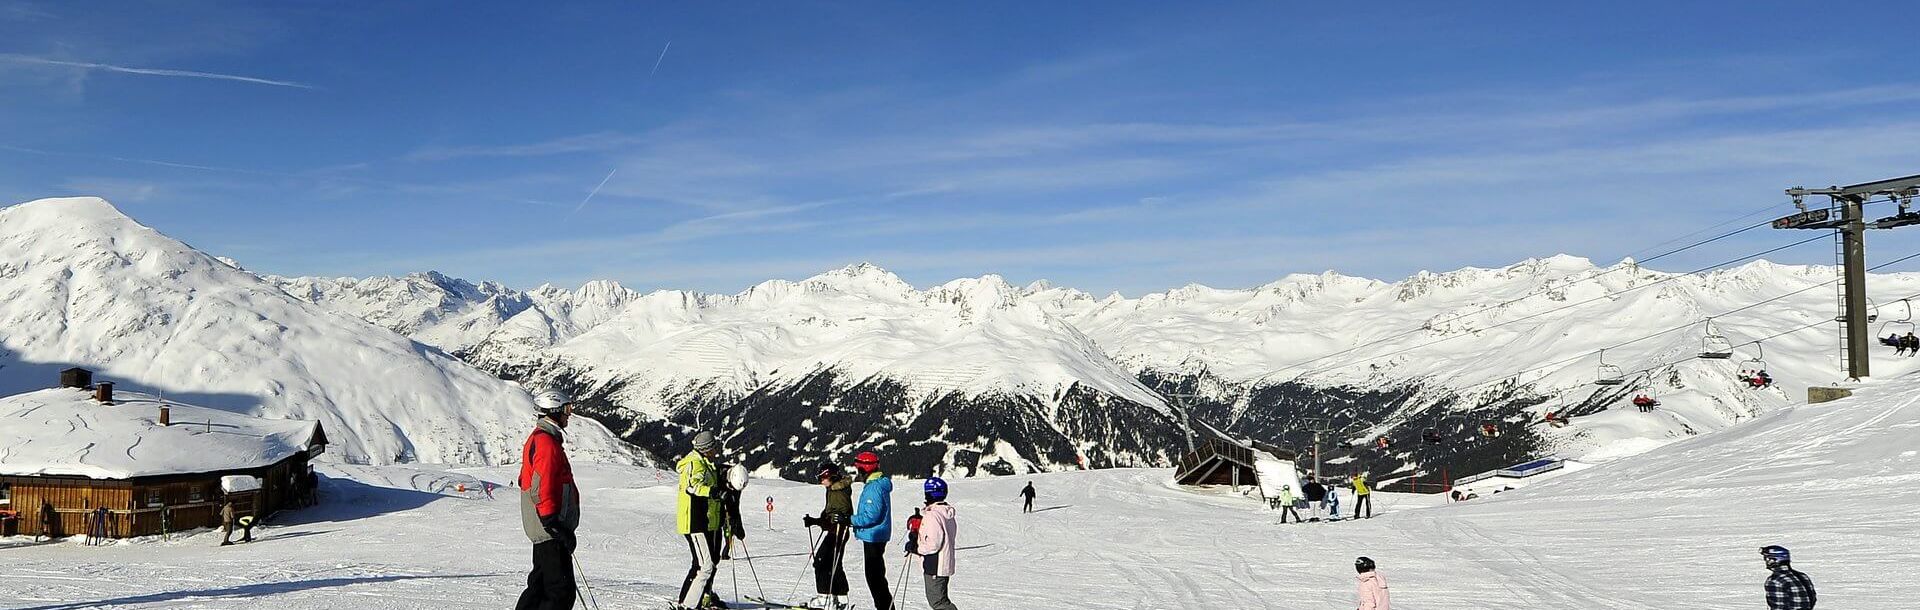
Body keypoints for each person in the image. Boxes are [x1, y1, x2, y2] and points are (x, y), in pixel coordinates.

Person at [516, 391, 581, 610]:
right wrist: (552, 522)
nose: (568, 415)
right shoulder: (546, 443)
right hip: (549, 528)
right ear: (555, 411)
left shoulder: (541, 438)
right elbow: (541, 486)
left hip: (543, 527)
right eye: (566, 410)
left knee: (539, 587)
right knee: (560, 592)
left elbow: (526, 478)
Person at [675, 431, 724, 610]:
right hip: (694, 521)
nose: (716, 450)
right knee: (706, 565)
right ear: (706, 449)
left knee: (702, 564)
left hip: (703, 520)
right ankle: (688, 605)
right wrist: (712, 492)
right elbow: (692, 487)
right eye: (713, 447)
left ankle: (693, 600)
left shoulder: (704, 462)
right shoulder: (695, 463)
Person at [804, 461, 854, 609]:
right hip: (837, 532)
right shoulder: (834, 489)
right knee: (834, 563)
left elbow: (838, 518)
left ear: (830, 476)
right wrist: (816, 520)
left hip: (838, 532)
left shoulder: (838, 492)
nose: (820, 481)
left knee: (822, 562)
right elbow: (831, 515)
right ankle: (841, 597)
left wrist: (821, 522)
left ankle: (825, 597)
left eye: (822, 477)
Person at [849, 452, 893, 610]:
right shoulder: (877, 484)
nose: (857, 472)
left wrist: (849, 520)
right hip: (876, 535)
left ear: (864, 468)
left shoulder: (873, 488)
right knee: (876, 577)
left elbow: (871, 516)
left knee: (875, 578)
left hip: (874, 536)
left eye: (858, 468)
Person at [911, 478, 960, 610]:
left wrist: (916, 547)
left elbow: (933, 544)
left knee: (938, 602)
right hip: (943, 562)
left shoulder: (933, 515)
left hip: (935, 564)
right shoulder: (945, 513)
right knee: (941, 600)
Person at [1761, 545, 1816, 609]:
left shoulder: (1775, 580)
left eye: (1767, 558)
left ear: (1774, 560)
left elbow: (1778, 607)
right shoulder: (1803, 576)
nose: (1766, 561)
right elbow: (1812, 599)